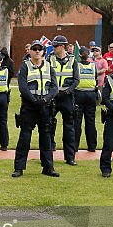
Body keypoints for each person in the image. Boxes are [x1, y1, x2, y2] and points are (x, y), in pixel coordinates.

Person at [12, 40, 60, 178]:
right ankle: (19, 168)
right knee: (25, 137)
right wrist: (34, 101)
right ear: (30, 51)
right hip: (29, 107)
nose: (37, 51)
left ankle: (48, 167)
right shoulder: (25, 67)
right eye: (35, 49)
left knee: (46, 137)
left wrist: (45, 100)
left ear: (44, 51)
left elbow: (54, 87)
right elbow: (22, 87)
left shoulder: (49, 67)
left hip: (45, 107)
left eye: (40, 49)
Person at [47, 35, 80, 165]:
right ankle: (48, 154)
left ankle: (70, 157)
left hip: (66, 97)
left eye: (55, 46)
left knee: (69, 128)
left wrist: (68, 90)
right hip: (53, 96)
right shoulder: (50, 59)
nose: (53, 48)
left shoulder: (73, 61)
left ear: (63, 46)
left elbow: (77, 80)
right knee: (48, 126)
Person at [73, 47, 99, 153]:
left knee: (77, 122)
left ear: (79, 55)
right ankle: (92, 146)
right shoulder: (93, 66)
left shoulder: (76, 66)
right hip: (91, 94)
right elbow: (96, 77)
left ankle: (74, 146)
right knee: (90, 122)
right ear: (88, 55)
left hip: (79, 94)